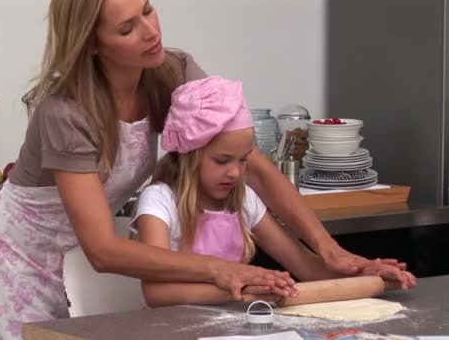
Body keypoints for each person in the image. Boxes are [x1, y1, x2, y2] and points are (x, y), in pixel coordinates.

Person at [0, 0, 405, 339]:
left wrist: (333, 254)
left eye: (148, 10)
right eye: (127, 27)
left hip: (79, 250)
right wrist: (220, 269)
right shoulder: (67, 113)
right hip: (20, 257)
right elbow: (103, 250)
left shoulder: (169, 72)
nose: (150, 31)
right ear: (91, 44)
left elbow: (254, 165)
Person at [131, 76, 417, 307]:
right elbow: (156, 293)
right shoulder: (159, 201)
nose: (235, 172)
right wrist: (241, 290)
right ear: (188, 155)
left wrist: (366, 272)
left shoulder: (243, 200)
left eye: (243, 160)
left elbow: (308, 269)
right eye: (222, 161)